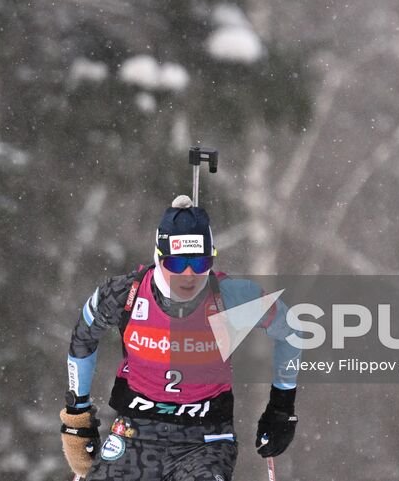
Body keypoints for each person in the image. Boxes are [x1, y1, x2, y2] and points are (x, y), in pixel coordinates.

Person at [60, 195, 300, 480]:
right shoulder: (124, 294)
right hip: (134, 432)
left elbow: (292, 331)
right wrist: (78, 416)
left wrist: (281, 407)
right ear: (158, 257)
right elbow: (83, 339)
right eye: (177, 263)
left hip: (205, 440)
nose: (189, 275)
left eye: (200, 263)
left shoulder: (232, 296)